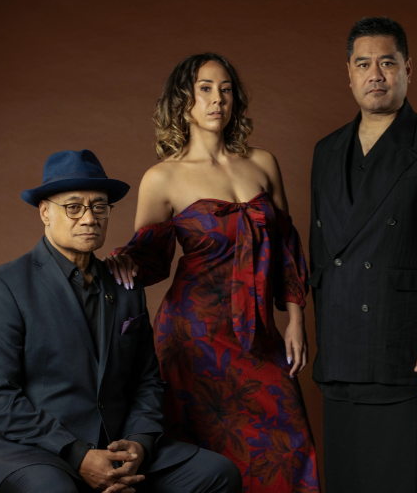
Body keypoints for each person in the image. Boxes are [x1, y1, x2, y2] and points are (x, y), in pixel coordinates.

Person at [0, 149, 241, 493]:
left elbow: (146, 381)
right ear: (45, 213)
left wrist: (139, 444)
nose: (89, 218)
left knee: (218, 473)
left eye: (99, 206)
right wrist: (78, 455)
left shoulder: (125, 285)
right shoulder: (4, 285)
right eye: (74, 207)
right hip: (32, 449)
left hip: (116, 444)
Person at [105, 54, 319, 492]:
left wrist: (295, 319)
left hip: (258, 333)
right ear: (183, 101)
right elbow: (151, 259)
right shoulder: (162, 178)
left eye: (225, 89)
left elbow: (286, 247)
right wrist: (123, 259)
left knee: (288, 447)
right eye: (205, 88)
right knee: (203, 455)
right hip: (193, 339)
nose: (217, 99)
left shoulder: (262, 162)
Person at [307, 17, 417, 492]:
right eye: (364, 64)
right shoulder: (326, 150)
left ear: (407, 69)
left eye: (386, 62)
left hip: (411, 352)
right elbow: (320, 252)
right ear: (349, 75)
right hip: (342, 352)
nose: (375, 74)